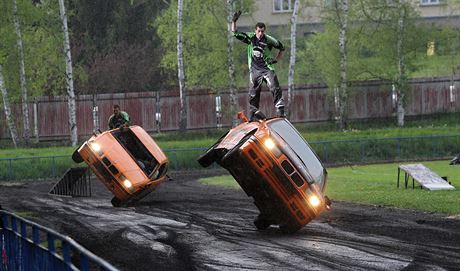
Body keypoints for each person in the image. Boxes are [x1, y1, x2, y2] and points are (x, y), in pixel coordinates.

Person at [231, 10, 286, 120]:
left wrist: (276, 59)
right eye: (259, 31)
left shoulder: (269, 39)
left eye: (262, 31)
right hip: (255, 70)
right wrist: (234, 21)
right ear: (255, 31)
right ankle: (253, 113)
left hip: (266, 68)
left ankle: (280, 110)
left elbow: (281, 48)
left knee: (275, 87)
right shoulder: (250, 38)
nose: (260, 34)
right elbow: (235, 33)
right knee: (253, 93)